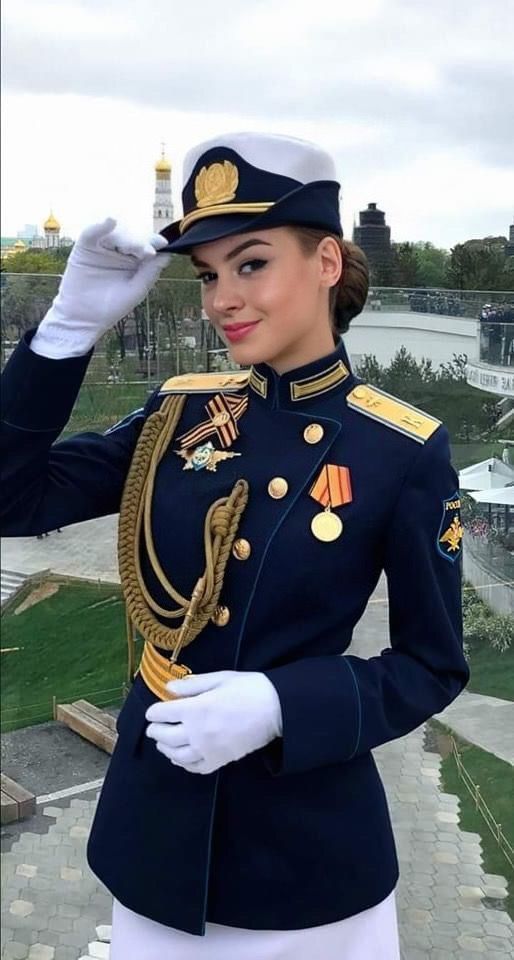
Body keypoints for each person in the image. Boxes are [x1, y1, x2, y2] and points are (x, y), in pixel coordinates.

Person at [0, 132, 469, 959]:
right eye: (210, 274)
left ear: (326, 262)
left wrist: (287, 707)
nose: (222, 299)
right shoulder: (178, 414)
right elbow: (12, 496)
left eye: (251, 264)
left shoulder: (400, 449)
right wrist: (65, 333)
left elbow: (433, 665)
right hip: (155, 837)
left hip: (307, 868)